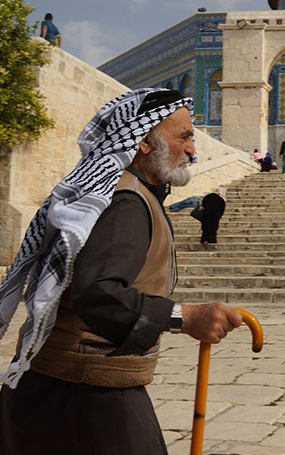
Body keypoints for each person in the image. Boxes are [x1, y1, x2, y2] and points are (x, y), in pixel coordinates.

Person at [0, 88, 243, 454]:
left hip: (65, 386)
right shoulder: (126, 202)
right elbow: (96, 290)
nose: (192, 149)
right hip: (84, 393)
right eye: (184, 136)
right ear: (144, 140)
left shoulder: (126, 193)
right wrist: (185, 317)